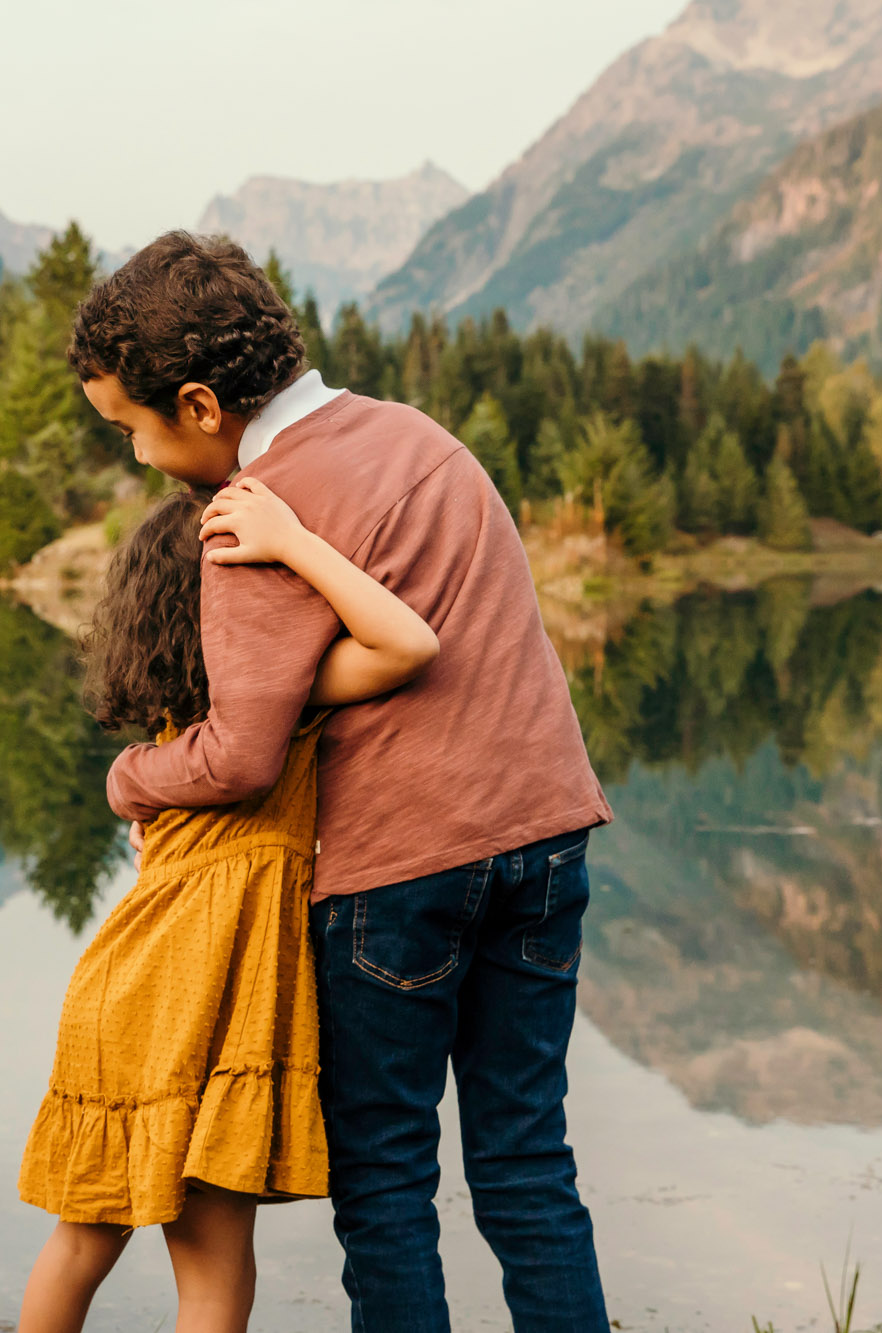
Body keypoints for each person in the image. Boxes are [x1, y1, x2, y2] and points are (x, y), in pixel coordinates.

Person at [68, 233, 614, 1333]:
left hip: (402, 869)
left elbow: (238, 754)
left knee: (386, 1183)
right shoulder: (415, 435)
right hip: (549, 833)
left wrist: (131, 779)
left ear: (199, 403)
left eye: (131, 429)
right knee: (525, 1160)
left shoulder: (251, 513)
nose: (137, 457)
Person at [15, 478, 442, 1333]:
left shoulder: (180, 732)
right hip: (210, 996)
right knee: (206, 1271)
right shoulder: (282, 704)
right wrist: (292, 542)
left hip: (132, 986)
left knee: (82, 1239)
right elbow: (406, 643)